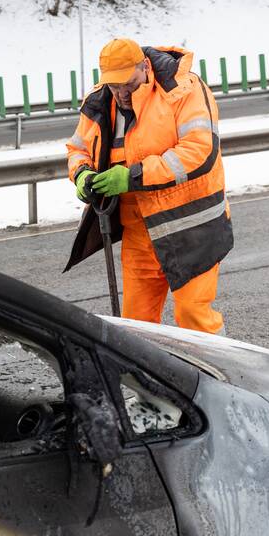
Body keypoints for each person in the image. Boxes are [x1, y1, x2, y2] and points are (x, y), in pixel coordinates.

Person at [63, 38, 232, 334]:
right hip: (140, 231)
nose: (121, 93)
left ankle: (212, 378)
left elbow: (199, 151)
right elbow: (78, 149)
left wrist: (132, 177)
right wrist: (82, 175)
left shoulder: (183, 90)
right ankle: (147, 380)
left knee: (194, 320)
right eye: (114, 86)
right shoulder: (101, 99)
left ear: (145, 67)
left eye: (128, 84)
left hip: (192, 227)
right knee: (137, 327)